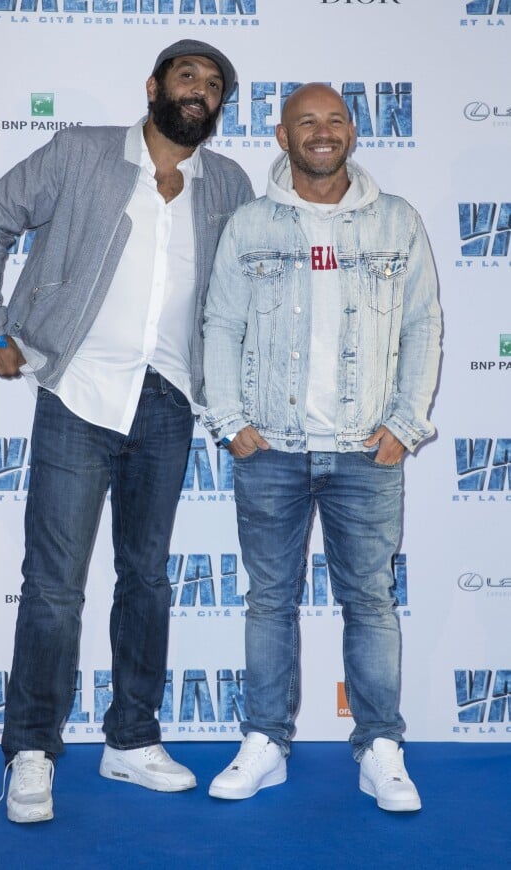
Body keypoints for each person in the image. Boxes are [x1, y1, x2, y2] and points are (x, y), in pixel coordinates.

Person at [0, 39, 253, 824]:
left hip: (167, 404)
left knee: (148, 582)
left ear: (221, 107)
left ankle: (131, 739)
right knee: (54, 589)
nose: (200, 90)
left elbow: (240, 295)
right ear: (154, 85)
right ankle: (30, 749)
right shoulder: (83, 151)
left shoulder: (226, 182)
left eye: (215, 84)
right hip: (80, 394)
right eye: (187, 76)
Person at [202, 83, 441, 811]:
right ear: (282, 136)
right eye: (306, 121)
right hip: (269, 447)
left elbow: (422, 327)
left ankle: (381, 748)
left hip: (365, 453)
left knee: (370, 602)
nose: (323, 131)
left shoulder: (397, 222)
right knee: (268, 601)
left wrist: (403, 426)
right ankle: (265, 742)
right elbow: (220, 323)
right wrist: (229, 420)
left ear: (353, 132)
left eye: (336, 119)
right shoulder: (249, 223)